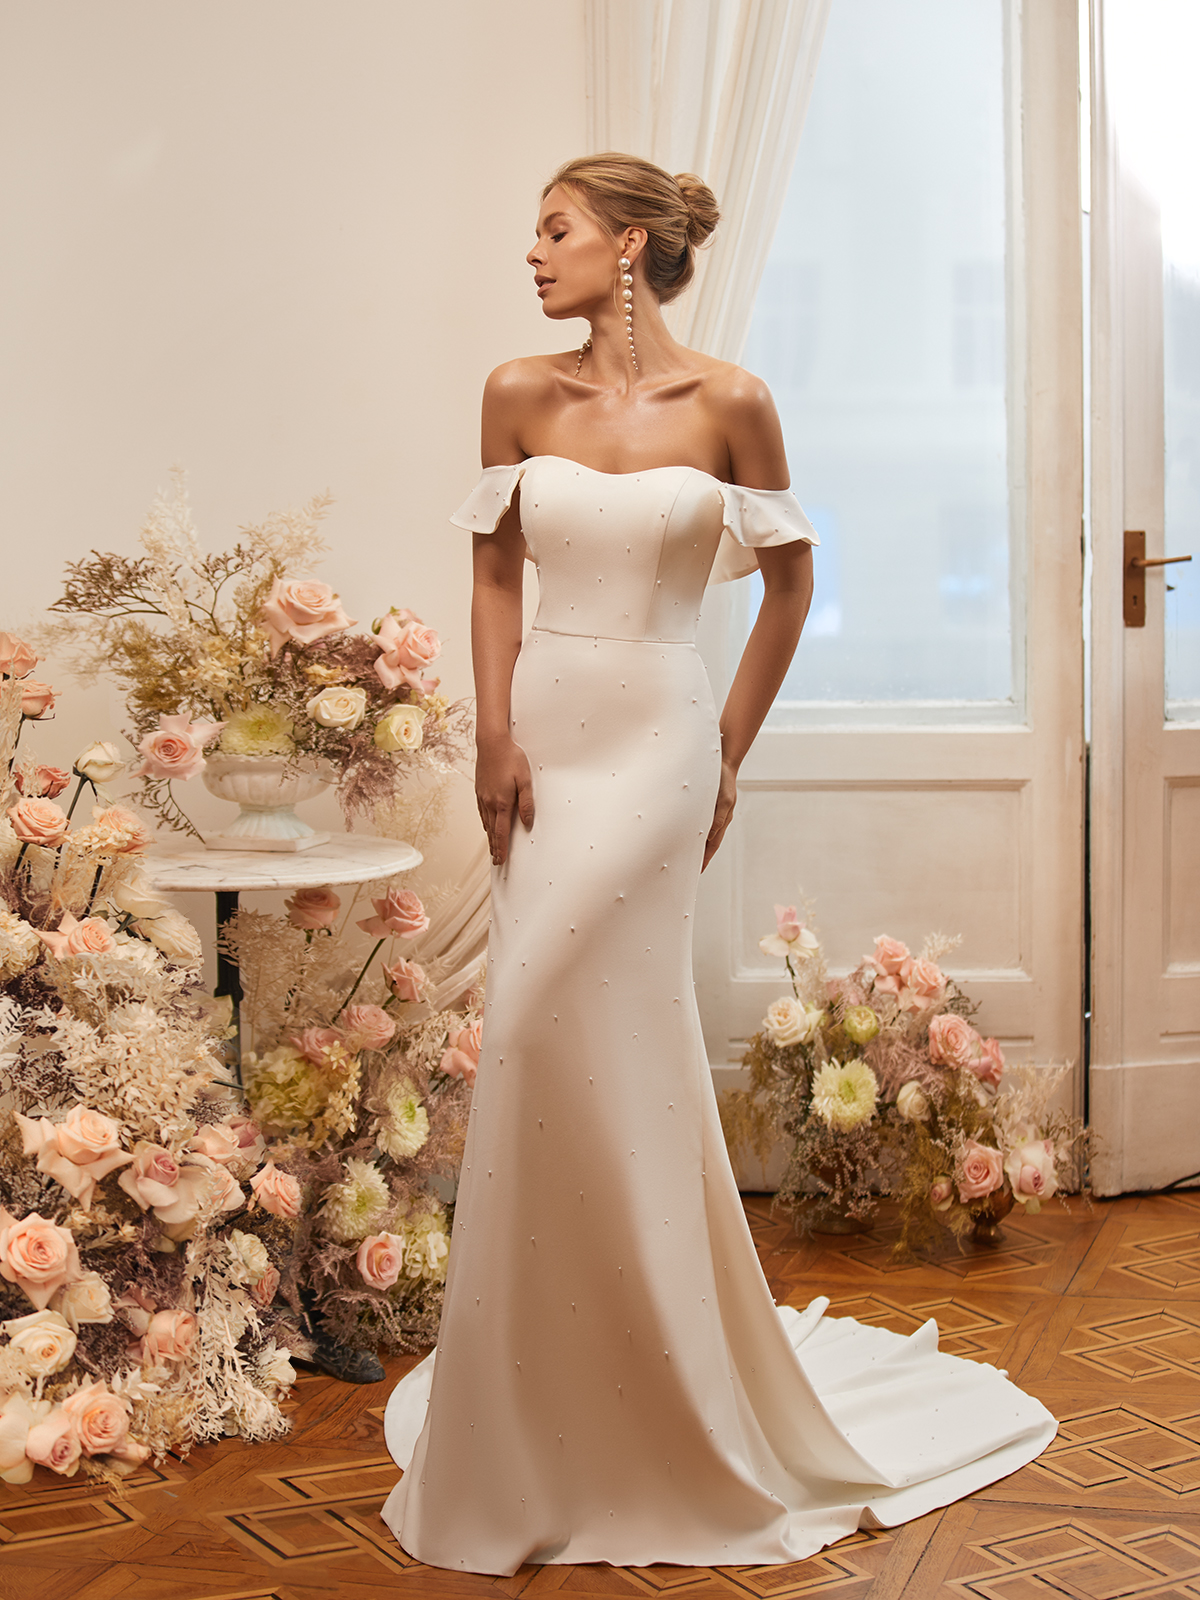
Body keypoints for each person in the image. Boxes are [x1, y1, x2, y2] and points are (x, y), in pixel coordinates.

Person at [381, 152, 1055, 1576]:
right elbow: (495, 575)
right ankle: (546, 1386)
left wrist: (729, 751)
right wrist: (491, 731)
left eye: (554, 231)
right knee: (543, 1036)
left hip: (662, 733)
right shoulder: (517, 391)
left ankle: (664, 1379)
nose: (532, 255)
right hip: (549, 733)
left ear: (628, 246)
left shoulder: (732, 404)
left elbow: (792, 586)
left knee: (589, 1015)